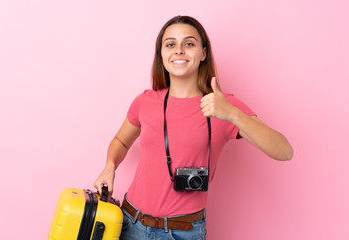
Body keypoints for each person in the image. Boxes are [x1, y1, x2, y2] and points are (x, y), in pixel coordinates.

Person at [93, 15, 293, 240]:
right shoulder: (145, 101)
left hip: (183, 232)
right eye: (170, 44)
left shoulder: (224, 105)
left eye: (189, 43)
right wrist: (110, 166)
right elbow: (121, 141)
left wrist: (233, 114)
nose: (179, 50)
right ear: (162, 54)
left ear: (203, 53)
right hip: (131, 223)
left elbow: (284, 151)